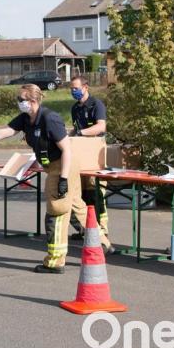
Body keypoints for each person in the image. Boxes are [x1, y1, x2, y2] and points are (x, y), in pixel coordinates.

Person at [0, 84, 112, 273]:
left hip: (64, 166)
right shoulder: (26, 119)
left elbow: (67, 150)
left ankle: (55, 261)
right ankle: (103, 243)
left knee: (57, 211)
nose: (19, 103)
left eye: (21, 100)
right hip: (53, 166)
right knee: (77, 206)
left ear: (33, 101)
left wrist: (63, 179)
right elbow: (1, 133)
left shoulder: (49, 119)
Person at [68, 76, 110, 242]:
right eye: (71, 88)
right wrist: (67, 137)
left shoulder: (96, 104)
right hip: (79, 152)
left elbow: (101, 126)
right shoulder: (75, 108)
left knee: (95, 192)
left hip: (94, 151)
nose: (73, 91)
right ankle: (85, 228)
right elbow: (75, 129)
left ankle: (102, 230)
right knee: (81, 193)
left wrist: (81, 133)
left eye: (76, 88)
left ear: (85, 87)